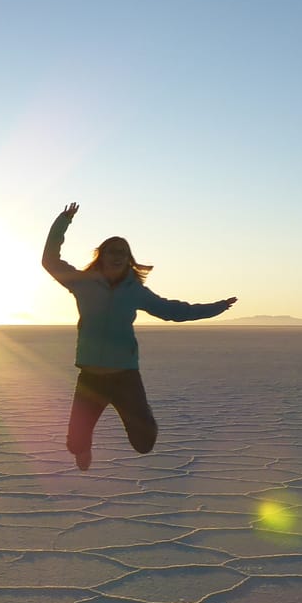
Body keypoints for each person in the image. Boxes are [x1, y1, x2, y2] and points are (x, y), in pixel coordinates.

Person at [42, 201, 237, 470]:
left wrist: (215, 308)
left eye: (123, 251)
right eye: (112, 251)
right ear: (102, 255)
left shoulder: (134, 291)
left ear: (129, 258)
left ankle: (141, 419)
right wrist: (63, 221)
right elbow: (50, 260)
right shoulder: (82, 283)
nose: (118, 255)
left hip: (125, 377)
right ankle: (82, 450)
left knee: (144, 443)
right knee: (75, 443)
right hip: (90, 378)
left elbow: (172, 311)